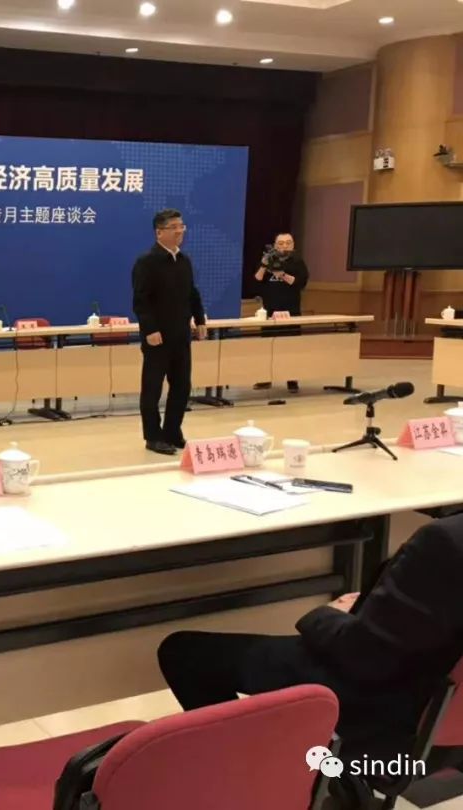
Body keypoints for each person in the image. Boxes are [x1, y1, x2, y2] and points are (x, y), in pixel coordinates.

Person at [157, 513, 463, 763]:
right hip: (440, 712)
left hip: (380, 701)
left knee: (183, 653)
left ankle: (247, 772)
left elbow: (364, 658)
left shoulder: (444, 539)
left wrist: (326, 613)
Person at [131, 208, 207, 456]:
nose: (179, 231)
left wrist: (199, 319)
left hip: (181, 334)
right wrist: (150, 329)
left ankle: (172, 431)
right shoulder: (147, 261)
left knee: (182, 386)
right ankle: (153, 436)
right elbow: (141, 300)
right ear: (159, 232)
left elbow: (192, 293)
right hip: (157, 337)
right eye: (173, 227)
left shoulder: (184, 260)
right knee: (152, 388)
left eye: (181, 226)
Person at [253, 232, 309, 393]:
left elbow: (300, 283)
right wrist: (264, 265)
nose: (284, 246)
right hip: (270, 310)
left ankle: (292, 380)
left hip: (290, 310)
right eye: (281, 243)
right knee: (267, 346)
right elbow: (257, 279)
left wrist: (282, 275)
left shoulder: (297, 262)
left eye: (288, 243)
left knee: (291, 346)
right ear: (275, 245)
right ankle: (265, 378)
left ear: (293, 245)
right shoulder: (268, 259)